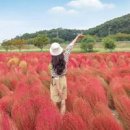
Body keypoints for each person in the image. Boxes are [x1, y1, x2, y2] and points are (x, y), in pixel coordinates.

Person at [49, 34, 84, 115]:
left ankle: (55, 120)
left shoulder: (52, 64)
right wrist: (77, 37)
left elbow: (56, 78)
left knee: (54, 102)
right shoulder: (65, 56)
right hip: (63, 80)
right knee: (63, 102)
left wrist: (58, 90)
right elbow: (70, 46)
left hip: (56, 83)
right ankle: (61, 120)